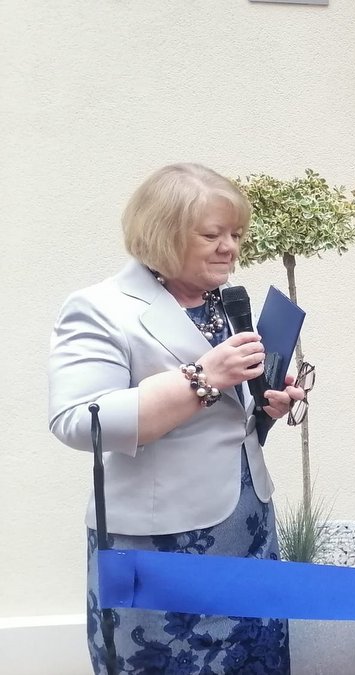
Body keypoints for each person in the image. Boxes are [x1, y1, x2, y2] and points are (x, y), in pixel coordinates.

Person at [48, 163, 307, 674]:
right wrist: (202, 378)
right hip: (161, 543)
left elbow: (227, 418)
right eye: (212, 235)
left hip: (247, 523)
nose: (230, 248)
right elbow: (78, 420)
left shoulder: (221, 301)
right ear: (163, 234)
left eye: (236, 234)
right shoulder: (100, 308)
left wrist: (265, 408)